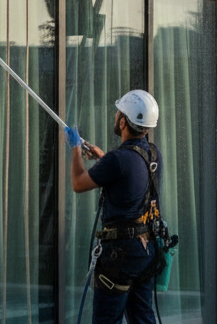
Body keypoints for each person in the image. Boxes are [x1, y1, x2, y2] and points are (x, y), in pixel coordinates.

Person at [67, 89, 162, 324]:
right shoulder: (152, 154)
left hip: (120, 254)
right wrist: (103, 158)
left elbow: (78, 184)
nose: (116, 117)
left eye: (118, 113)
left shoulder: (117, 160)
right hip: (146, 249)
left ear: (123, 121)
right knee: (142, 318)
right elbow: (130, 179)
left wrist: (75, 149)